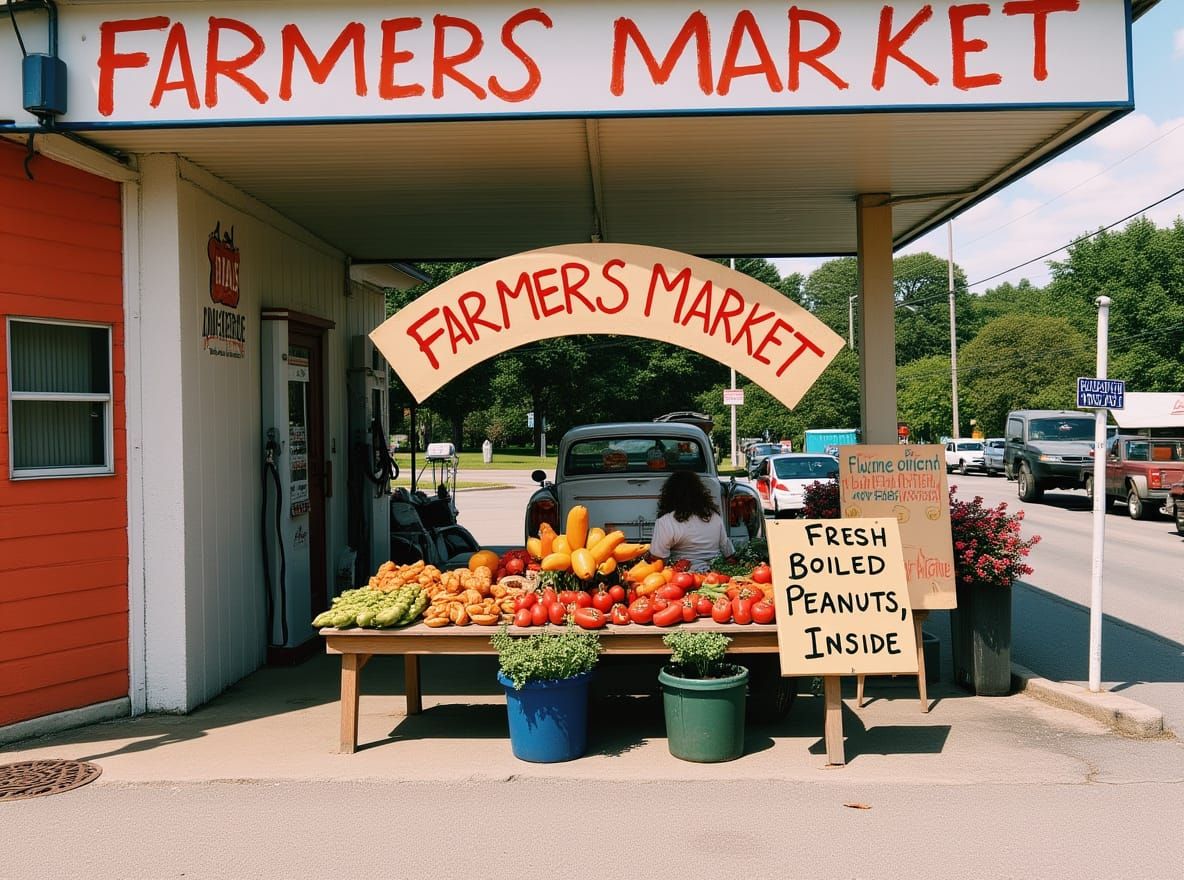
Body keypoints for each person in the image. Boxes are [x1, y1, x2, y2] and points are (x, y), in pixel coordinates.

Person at [648, 470, 735, 573]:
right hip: (715, 573)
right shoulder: (714, 517)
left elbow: (658, 559)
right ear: (700, 493)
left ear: (669, 495)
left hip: (682, 577)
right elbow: (728, 553)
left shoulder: (666, 521)